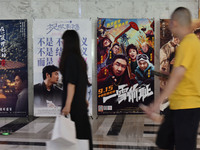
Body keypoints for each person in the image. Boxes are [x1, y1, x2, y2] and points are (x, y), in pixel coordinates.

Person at [141, 7, 200, 150]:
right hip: (177, 105)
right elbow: (182, 74)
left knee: (183, 146)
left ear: (174, 23)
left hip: (187, 107)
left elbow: (178, 75)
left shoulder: (188, 44)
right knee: (163, 141)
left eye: (170, 25)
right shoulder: (190, 43)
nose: (170, 29)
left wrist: (156, 104)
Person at [59, 30, 93, 150]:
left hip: (74, 104)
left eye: (63, 41)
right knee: (82, 133)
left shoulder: (70, 59)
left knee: (76, 134)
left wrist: (67, 105)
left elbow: (71, 84)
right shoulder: (80, 59)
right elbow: (82, 82)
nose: (62, 44)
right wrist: (84, 98)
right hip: (79, 102)